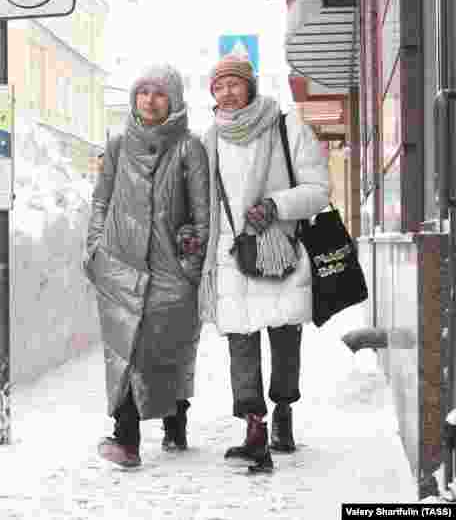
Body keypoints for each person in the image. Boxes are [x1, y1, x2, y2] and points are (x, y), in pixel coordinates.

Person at [198, 53, 330, 473]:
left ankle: (284, 412)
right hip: (231, 252)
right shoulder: (210, 139)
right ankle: (254, 426)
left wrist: (276, 205)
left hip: (280, 247)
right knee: (241, 341)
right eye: (219, 87)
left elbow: (319, 191)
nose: (227, 92)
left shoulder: (287, 126)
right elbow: (206, 200)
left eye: (234, 83)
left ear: (251, 85)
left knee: (284, 337)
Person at [84, 65, 210, 469]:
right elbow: (101, 201)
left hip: (169, 272)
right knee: (126, 352)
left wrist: (190, 263)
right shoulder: (119, 145)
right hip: (120, 264)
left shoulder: (190, 148)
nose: (150, 101)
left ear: (172, 101)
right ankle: (127, 438)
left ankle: (175, 416)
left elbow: (203, 216)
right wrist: (94, 250)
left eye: (159, 94)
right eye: (143, 93)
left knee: (164, 352)